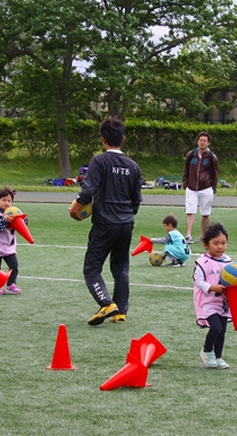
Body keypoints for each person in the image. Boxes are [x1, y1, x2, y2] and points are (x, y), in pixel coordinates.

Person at [69, 117, 143, 326]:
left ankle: (106, 303)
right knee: (120, 267)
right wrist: (127, 214)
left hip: (105, 223)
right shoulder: (133, 166)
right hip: (126, 223)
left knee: (91, 268)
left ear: (103, 140)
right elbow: (137, 200)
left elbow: (88, 189)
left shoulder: (99, 161)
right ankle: (120, 311)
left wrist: (76, 207)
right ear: (124, 140)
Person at [193, 221, 232, 369]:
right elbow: (198, 281)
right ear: (207, 245)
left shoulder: (229, 262)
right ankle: (207, 351)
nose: (220, 246)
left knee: (222, 330)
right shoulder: (203, 262)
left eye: (223, 243)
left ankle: (218, 357)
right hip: (207, 302)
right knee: (215, 327)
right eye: (216, 243)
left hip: (223, 303)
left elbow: (234, 280)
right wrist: (213, 288)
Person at [182, 131, 219, 244]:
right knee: (190, 211)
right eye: (200, 140)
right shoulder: (191, 154)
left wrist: (212, 187)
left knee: (205, 213)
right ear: (197, 141)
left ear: (208, 143)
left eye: (204, 141)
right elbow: (186, 169)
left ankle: (203, 235)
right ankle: (188, 235)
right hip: (191, 188)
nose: (202, 142)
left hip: (206, 188)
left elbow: (215, 173)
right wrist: (185, 183)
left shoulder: (212, 157)